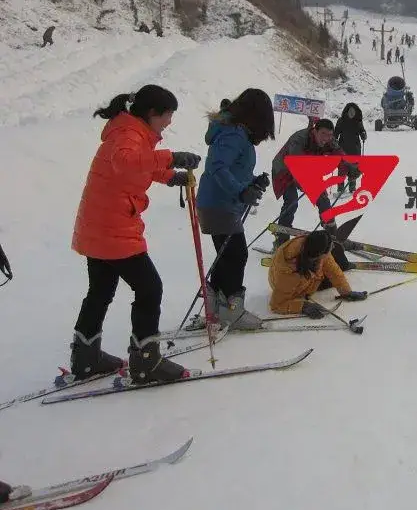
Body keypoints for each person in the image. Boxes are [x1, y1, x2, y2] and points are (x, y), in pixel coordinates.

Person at [70, 85, 201, 384]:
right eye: (167, 115)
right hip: (114, 228)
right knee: (149, 288)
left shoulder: (128, 130)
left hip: (99, 226)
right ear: (152, 113)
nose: (169, 122)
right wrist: (171, 158)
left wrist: (170, 176)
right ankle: (146, 362)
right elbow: (127, 162)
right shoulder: (129, 134)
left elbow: (136, 166)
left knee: (100, 291)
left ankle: (86, 358)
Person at [193, 88, 275, 331]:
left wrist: (251, 183)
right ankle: (232, 310)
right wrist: (240, 191)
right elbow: (217, 167)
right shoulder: (234, 134)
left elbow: (233, 169)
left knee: (227, 256)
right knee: (237, 255)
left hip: (219, 203)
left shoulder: (235, 132)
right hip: (219, 204)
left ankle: (216, 308)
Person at [270, 118, 354, 249]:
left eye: (329, 135)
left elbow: (340, 155)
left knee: (323, 199)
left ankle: (332, 234)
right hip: (284, 170)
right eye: (323, 134)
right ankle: (281, 239)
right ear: (315, 131)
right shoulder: (299, 139)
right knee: (291, 201)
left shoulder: (329, 141)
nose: (326, 138)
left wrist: (350, 167)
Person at [268, 231, 367, 318]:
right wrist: (303, 306)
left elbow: (333, 271)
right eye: (330, 246)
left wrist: (346, 292)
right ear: (319, 254)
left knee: (339, 261)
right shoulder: (289, 273)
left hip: (309, 277)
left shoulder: (316, 248)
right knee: (336, 268)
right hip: (293, 288)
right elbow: (276, 305)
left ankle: (345, 261)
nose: (332, 246)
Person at [334, 103, 367, 194]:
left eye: (353, 111)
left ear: (356, 112)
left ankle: (352, 188)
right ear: (346, 111)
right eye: (350, 111)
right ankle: (340, 189)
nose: (352, 113)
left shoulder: (358, 121)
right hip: (342, 148)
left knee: (353, 170)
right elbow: (336, 131)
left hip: (355, 149)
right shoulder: (341, 120)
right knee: (342, 169)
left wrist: (363, 135)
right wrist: (334, 138)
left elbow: (362, 131)